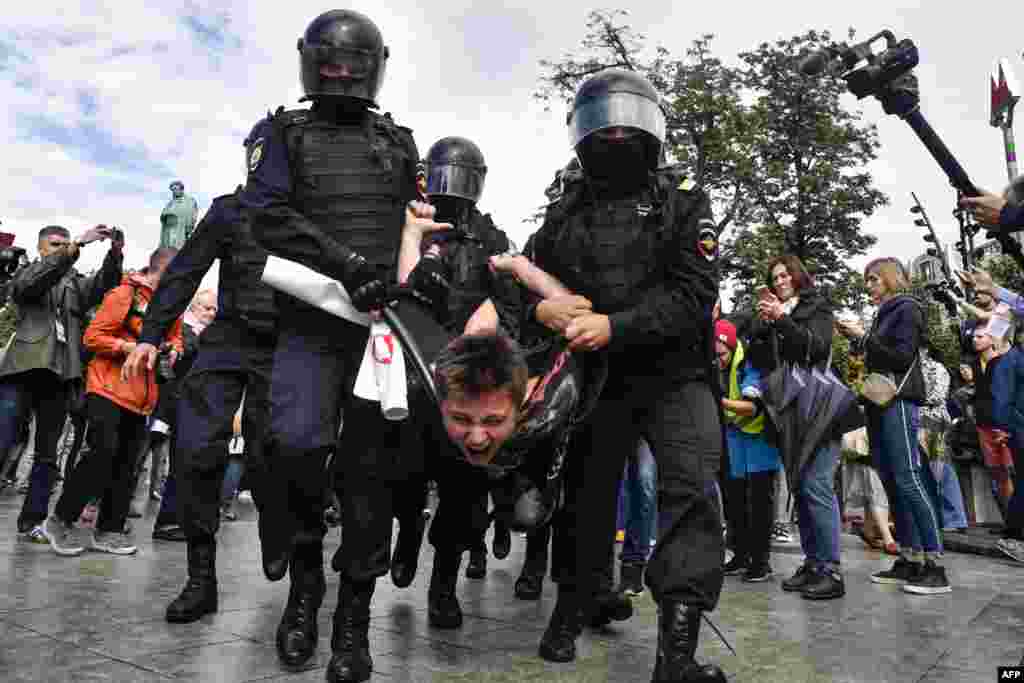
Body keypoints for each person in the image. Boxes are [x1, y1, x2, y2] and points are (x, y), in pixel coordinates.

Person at [238, 11, 447, 682]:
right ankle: (305, 586)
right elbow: (267, 216)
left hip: (381, 332)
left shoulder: (400, 142)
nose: (342, 68)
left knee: (371, 481)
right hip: (310, 320)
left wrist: (427, 262)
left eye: (351, 59)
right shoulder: (283, 133)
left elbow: (417, 223)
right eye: (331, 57)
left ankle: (352, 622)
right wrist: (344, 262)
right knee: (293, 445)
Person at [524, 68, 725, 682]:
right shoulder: (564, 213)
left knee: (690, 491)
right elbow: (526, 279)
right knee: (584, 500)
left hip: (674, 373)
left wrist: (617, 325)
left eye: (626, 117)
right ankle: (570, 607)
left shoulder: (684, 201)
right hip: (597, 380)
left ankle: (678, 651)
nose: (614, 130)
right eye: (601, 119)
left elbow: (695, 294)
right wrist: (541, 307)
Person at [123, 187, 279, 625]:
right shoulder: (232, 210)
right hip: (229, 339)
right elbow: (185, 270)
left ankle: (278, 528)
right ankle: (200, 577)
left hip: (286, 343)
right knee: (193, 450)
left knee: (276, 451)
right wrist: (150, 335)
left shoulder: (316, 205)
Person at [42, 247, 181, 556]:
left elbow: (176, 338)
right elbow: (93, 337)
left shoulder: (172, 305)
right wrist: (128, 347)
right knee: (101, 454)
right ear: (166, 269)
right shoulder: (124, 294)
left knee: (127, 465)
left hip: (142, 395)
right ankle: (59, 521)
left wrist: (174, 348)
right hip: (106, 387)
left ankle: (109, 530)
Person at [0, 224, 122, 540]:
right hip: (23, 367)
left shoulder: (73, 283)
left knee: (47, 455)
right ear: (41, 248)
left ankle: (32, 522)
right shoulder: (27, 273)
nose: (61, 248)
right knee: (2, 438)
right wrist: (76, 245)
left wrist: (115, 254)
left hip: (60, 373)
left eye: (65, 244)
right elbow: (34, 283)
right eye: (55, 244)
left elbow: (104, 287)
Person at [837, 257, 950, 595]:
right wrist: (861, 340)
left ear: (889, 278)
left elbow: (901, 357)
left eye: (873, 279)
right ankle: (910, 556)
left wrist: (863, 336)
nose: (868, 286)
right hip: (878, 402)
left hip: (898, 402)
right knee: (891, 479)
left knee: (908, 477)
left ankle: (935, 562)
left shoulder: (907, 308)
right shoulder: (883, 314)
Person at [746, 255, 844, 600]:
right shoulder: (774, 312)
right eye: (775, 277)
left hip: (817, 406)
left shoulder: (816, 306)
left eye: (786, 274)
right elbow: (760, 360)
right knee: (800, 489)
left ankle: (831, 569)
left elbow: (816, 347)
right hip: (787, 409)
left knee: (817, 485)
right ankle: (814, 562)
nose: (780, 281)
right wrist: (762, 325)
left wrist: (784, 319)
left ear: (799, 276)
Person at [148, 288, 216, 540]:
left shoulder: (203, 333)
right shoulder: (183, 330)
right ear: (194, 308)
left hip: (186, 408)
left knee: (179, 466)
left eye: (214, 309)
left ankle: (169, 521)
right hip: (164, 403)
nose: (211, 313)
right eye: (207, 308)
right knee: (137, 461)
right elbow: (183, 352)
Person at [716, 319, 780, 583]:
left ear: (731, 346)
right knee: (736, 499)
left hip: (759, 437)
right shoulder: (721, 364)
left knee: (759, 501)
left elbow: (752, 407)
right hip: (735, 437)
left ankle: (761, 561)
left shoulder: (749, 362)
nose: (718, 360)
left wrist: (718, 402)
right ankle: (741, 555)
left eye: (721, 354)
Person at [160, 180, 199, 249]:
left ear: (181, 189)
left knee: (178, 247)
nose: (174, 191)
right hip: (168, 229)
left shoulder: (190, 201)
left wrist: (189, 228)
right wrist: (165, 216)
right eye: (172, 190)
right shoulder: (170, 203)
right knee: (167, 248)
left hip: (180, 229)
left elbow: (193, 215)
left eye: (176, 189)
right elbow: (163, 213)